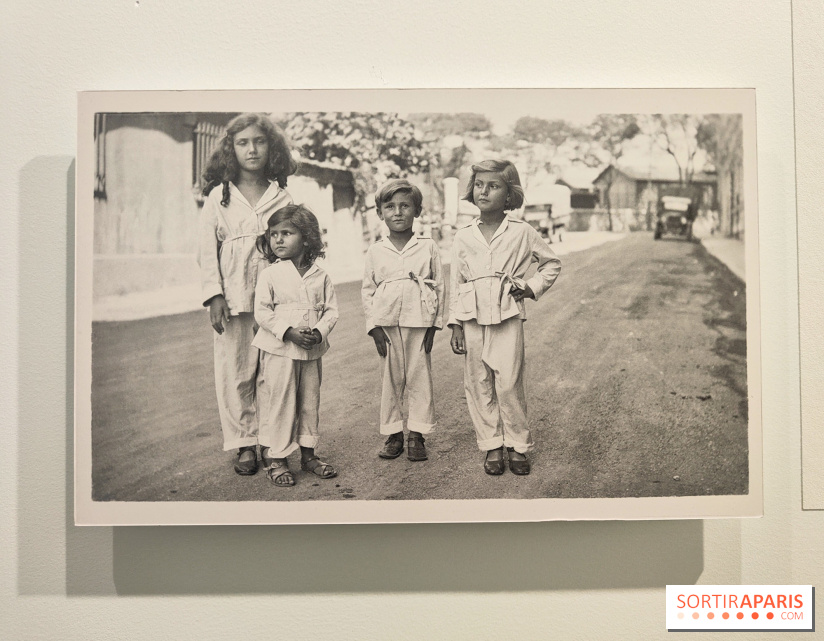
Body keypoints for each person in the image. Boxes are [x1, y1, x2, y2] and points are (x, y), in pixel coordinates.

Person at [448, 159, 561, 476]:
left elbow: (551, 264)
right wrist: (455, 324)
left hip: (508, 314)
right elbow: (456, 282)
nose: (484, 191)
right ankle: (492, 446)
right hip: (471, 317)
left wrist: (530, 287)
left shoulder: (522, 231)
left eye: (493, 186)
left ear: (509, 194)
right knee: (478, 383)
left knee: (509, 383)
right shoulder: (463, 236)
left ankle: (517, 445)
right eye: (479, 185)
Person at [198, 113, 297, 476]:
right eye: (243, 143)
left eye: (259, 141)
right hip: (234, 298)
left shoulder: (281, 195)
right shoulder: (219, 197)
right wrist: (214, 295)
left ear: (272, 147)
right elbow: (206, 250)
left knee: (273, 371)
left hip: (275, 299)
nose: (252, 149)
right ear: (231, 149)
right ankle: (243, 442)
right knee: (235, 371)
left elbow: (293, 245)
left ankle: (271, 440)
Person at [253, 204, 339, 487]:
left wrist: (319, 332)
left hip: (311, 352)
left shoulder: (320, 276)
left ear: (306, 238)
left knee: (309, 402)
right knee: (281, 402)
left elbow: (331, 311)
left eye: (286, 233)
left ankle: (308, 455)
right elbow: (262, 312)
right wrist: (288, 332)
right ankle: (276, 458)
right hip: (279, 352)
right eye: (273, 234)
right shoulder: (270, 275)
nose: (277, 239)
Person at [362, 179, 445, 461]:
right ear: (380, 213)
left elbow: (439, 285)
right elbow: (368, 290)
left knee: (420, 379)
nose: (397, 212)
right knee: (391, 380)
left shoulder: (428, 246)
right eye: (390, 207)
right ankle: (394, 434)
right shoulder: (375, 250)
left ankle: (417, 435)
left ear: (417, 211)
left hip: (419, 320)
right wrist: (373, 327)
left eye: (405, 206)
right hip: (386, 324)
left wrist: (434, 325)